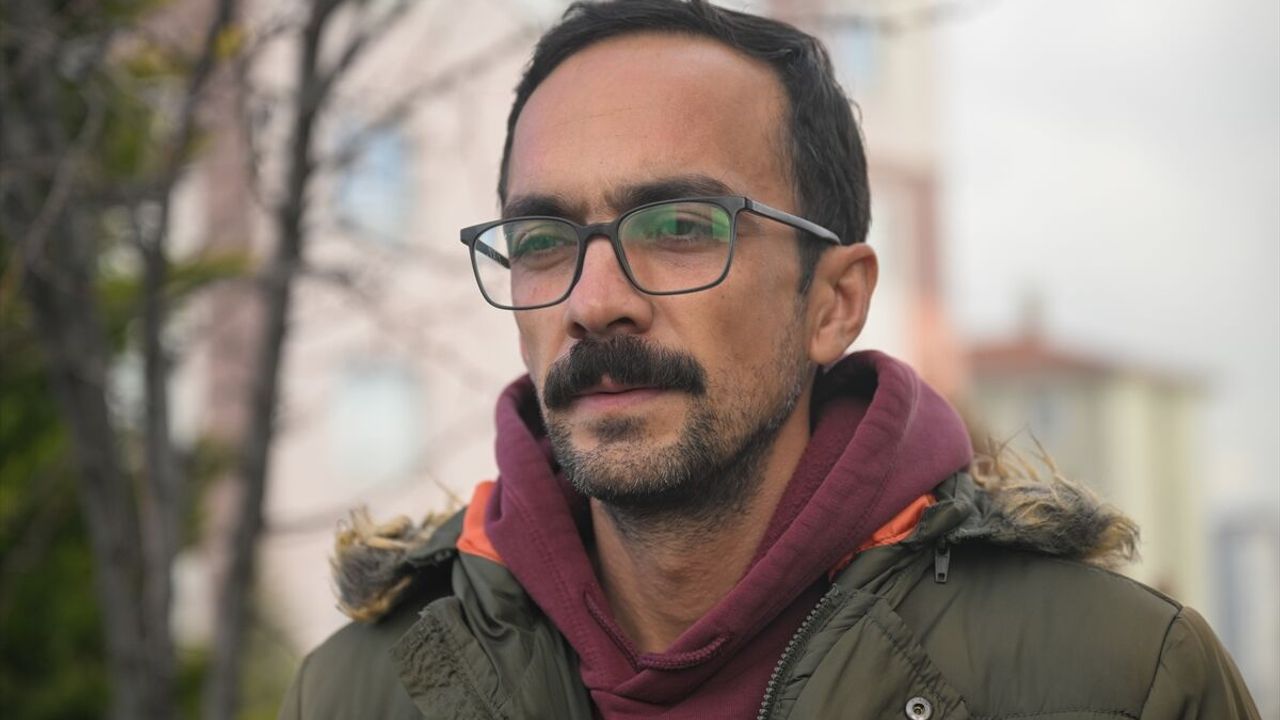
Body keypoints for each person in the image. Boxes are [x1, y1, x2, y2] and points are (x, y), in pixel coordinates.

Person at [280, 1, 1259, 718]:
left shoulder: (1117, 680)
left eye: (678, 226)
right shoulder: (359, 691)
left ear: (833, 303)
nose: (593, 300)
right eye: (542, 242)